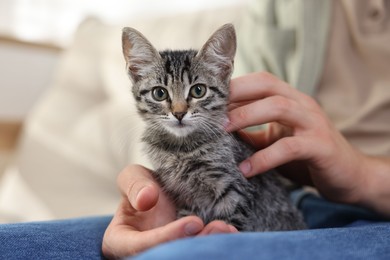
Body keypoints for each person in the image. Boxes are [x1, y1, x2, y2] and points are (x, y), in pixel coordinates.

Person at [1, 0, 390, 259]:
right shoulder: (278, 7)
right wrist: (163, 209)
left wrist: (366, 175)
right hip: (300, 196)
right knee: (13, 244)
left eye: (194, 93)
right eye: (160, 94)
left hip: (364, 216)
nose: (180, 108)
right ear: (135, 75)